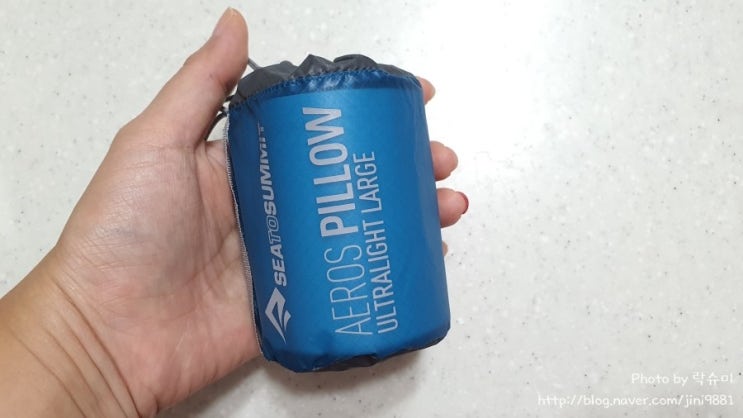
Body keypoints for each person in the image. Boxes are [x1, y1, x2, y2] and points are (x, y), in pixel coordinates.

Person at [0, 8, 468, 418]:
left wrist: (84, 344)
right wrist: (84, 334)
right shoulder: (343, 97)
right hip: (367, 314)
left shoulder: (283, 104)